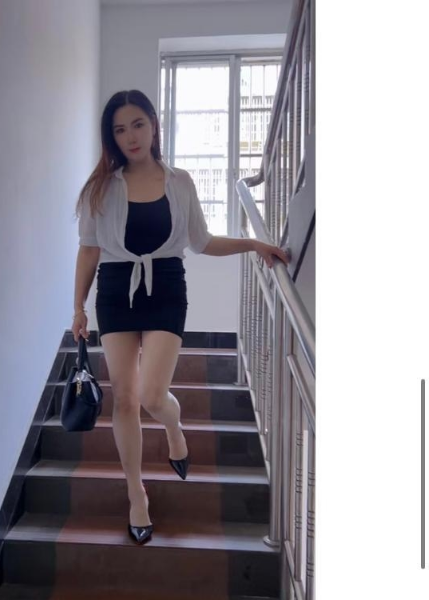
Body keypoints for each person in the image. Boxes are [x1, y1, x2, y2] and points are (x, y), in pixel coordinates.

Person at [71, 89, 288, 545]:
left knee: (152, 394)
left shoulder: (180, 181)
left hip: (167, 286)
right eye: (120, 130)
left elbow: (202, 242)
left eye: (138, 124)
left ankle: (173, 424)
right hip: (116, 289)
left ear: (154, 125)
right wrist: (78, 307)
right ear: (112, 137)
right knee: (124, 399)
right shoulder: (101, 187)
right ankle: (136, 493)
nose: (131, 136)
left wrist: (253, 244)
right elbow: (89, 250)